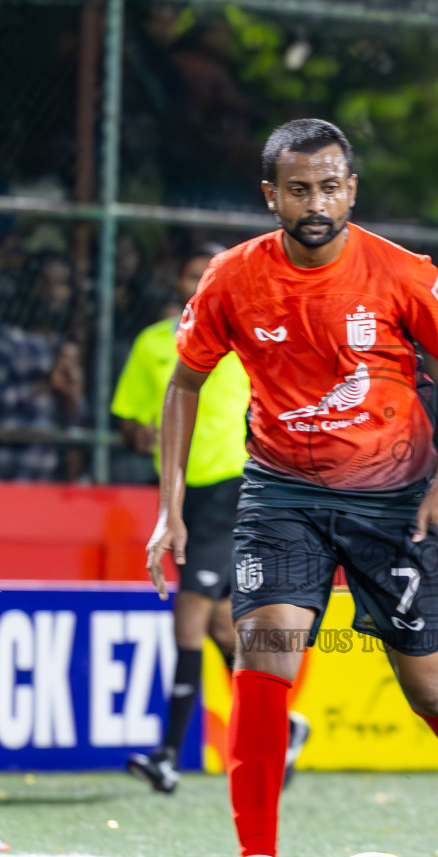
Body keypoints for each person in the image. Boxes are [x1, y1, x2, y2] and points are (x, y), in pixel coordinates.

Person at [145, 118, 438, 857]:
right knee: (264, 654)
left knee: (430, 687)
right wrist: (169, 508)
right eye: (299, 190)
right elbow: (184, 383)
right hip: (280, 492)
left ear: (352, 189)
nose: (316, 204)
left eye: (330, 187)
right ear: (272, 195)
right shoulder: (232, 278)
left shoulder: (401, 272)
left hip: (393, 501)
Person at [114, 244, 311, 793]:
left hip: (233, 486)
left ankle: (168, 755)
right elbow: (129, 420)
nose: (200, 283)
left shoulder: (250, 338)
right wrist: (140, 434)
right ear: (177, 282)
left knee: (190, 613)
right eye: (190, 274)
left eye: (210, 274)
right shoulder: (153, 345)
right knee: (222, 625)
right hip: (182, 493)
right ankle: (283, 727)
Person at [0, 252, 84, 481]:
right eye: (46, 281)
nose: (54, 292)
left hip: (43, 476)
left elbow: (76, 420)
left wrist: (69, 395)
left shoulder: (63, 347)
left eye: (62, 283)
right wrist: (41, 386)